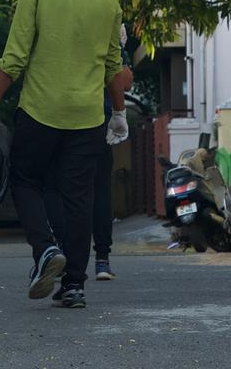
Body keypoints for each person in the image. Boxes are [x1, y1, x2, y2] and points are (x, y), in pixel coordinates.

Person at [0, 0, 128, 309]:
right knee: (78, 200)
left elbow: (16, 55)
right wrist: (118, 113)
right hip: (89, 117)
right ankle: (74, 285)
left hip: (40, 111)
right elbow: (113, 65)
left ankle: (44, 249)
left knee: (25, 179)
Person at [93, 27, 133, 281]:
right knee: (99, 191)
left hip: (61, 118)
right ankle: (102, 260)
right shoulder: (106, 34)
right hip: (98, 119)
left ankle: (58, 252)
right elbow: (125, 80)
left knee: (65, 188)